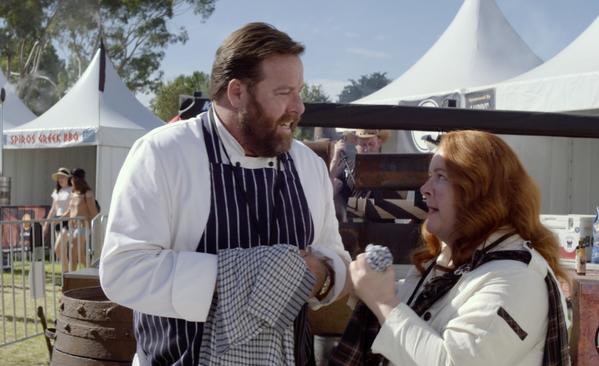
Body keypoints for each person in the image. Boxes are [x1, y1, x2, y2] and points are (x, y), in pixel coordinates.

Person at [99, 22, 351, 366]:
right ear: (236, 93)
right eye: (283, 93)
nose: (299, 107)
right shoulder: (163, 154)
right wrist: (252, 275)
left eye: (299, 91)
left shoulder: (307, 164)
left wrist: (321, 277)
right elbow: (123, 271)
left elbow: (334, 257)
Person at [331, 130, 570, 366]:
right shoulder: (451, 263)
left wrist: (383, 301)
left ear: (481, 191)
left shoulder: (519, 280)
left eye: (440, 176)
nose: (424, 189)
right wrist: (361, 284)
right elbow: (422, 313)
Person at [329, 129, 391, 222]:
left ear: (379, 143)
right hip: (352, 227)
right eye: (363, 145)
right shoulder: (347, 166)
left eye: (371, 144)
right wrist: (335, 157)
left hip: (384, 227)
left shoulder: (390, 167)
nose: (367, 149)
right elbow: (326, 185)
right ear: (356, 144)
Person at [58, 168, 99, 272]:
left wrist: (91, 226)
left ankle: (72, 278)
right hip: (72, 227)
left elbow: (94, 213)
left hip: (83, 227)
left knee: (72, 251)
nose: (70, 181)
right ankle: (91, 273)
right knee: (80, 255)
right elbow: (69, 210)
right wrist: (59, 219)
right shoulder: (73, 192)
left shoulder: (87, 193)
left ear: (75, 179)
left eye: (71, 178)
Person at [43, 167, 73, 243]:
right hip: (57, 220)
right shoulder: (56, 191)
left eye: (62, 177)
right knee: (59, 248)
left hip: (68, 220)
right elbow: (53, 209)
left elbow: (72, 207)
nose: (60, 179)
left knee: (63, 245)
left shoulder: (72, 190)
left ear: (68, 178)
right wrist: (46, 224)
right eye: (59, 177)